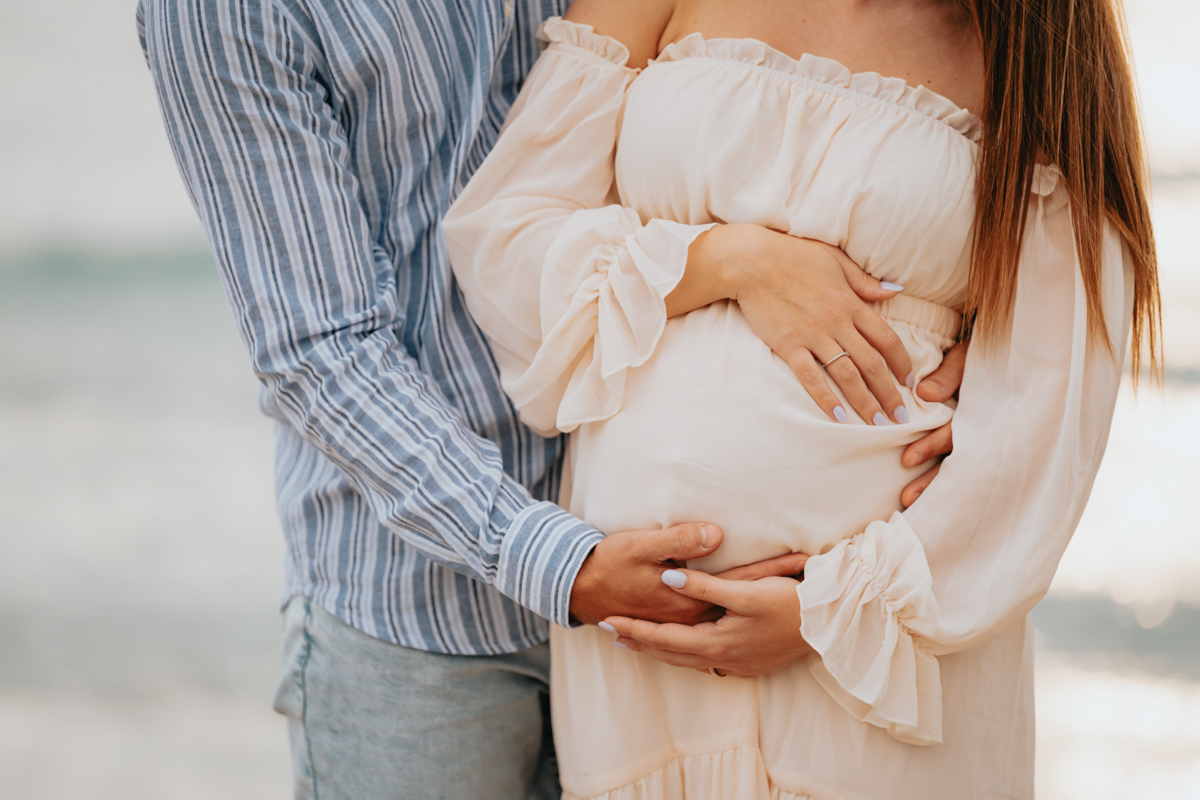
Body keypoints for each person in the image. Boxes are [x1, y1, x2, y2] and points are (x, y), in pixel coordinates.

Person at [136, 0, 959, 797]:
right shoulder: (224, 11)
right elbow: (320, 350)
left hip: (679, 622)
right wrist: (561, 564)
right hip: (423, 623)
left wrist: (974, 351)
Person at [443, 0, 1161, 797]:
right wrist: (724, 262)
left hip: (873, 670)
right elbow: (502, 239)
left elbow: (1047, 411)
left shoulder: (1031, 37)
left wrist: (829, 616)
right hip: (648, 664)